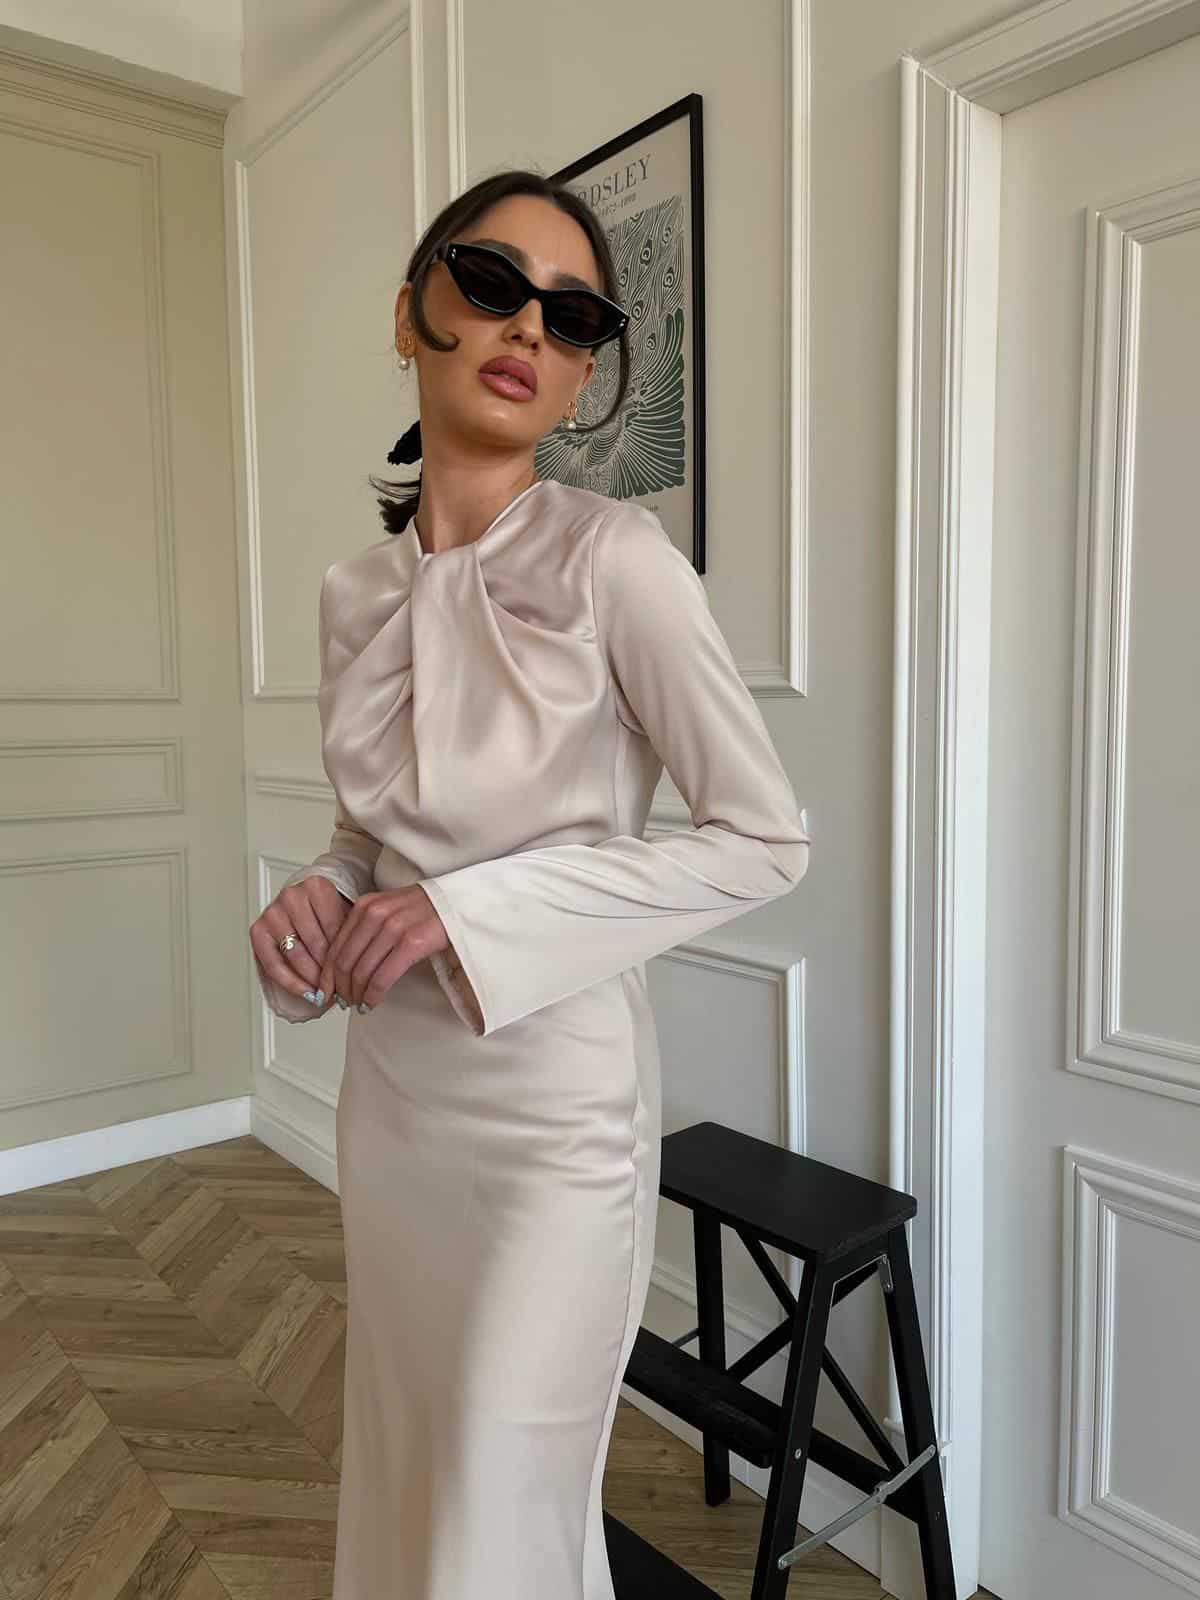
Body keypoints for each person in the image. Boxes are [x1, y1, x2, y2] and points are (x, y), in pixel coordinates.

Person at [247, 166, 811, 1600]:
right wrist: (322, 894)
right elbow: (371, 833)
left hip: (556, 1119)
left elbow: (764, 838)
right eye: (494, 284)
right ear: (411, 313)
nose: (528, 331)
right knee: (411, 1463)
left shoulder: (619, 561)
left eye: (574, 318)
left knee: (501, 1508)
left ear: (581, 376)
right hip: (396, 1104)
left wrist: (466, 912)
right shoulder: (353, 596)